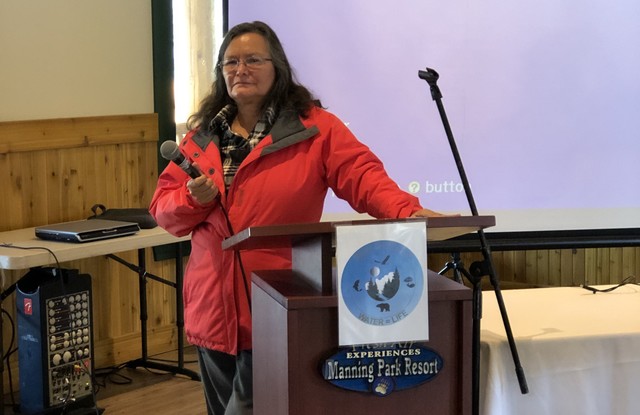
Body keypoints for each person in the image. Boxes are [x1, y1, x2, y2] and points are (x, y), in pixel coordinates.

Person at [150, 21, 446, 415]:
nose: (240, 69)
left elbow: (364, 177)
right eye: (230, 62)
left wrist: (407, 211)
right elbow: (164, 211)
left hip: (277, 305)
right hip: (211, 311)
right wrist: (192, 198)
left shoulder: (316, 129)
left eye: (253, 60)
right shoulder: (201, 136)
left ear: (278, 67)